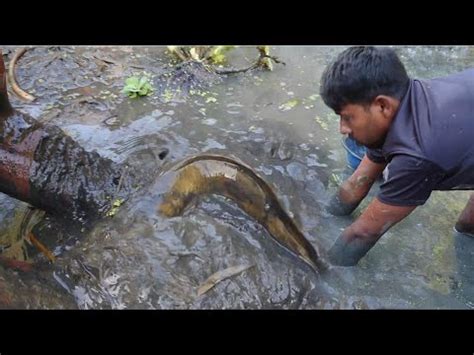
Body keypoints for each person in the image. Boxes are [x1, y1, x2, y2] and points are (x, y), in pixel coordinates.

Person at [319, 46, 474, 266]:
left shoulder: (418, 154)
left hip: (449, 137)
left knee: (467, 229)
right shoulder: (404, 104)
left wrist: (320, 269)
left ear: (382, 106)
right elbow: (356, 183)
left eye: (347, 118)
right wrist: (323, 218)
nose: (342, 128)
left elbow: (363, 234)